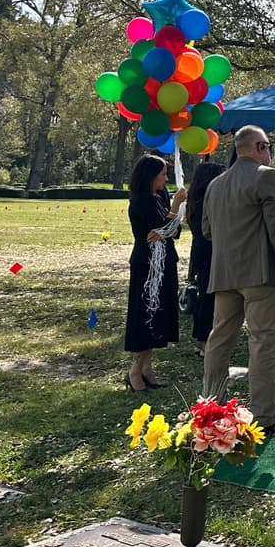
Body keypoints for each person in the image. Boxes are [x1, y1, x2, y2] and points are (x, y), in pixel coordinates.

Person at [201, 125, 275, 437]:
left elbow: (207, 231)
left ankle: (211, 406)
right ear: (259, 147)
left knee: (219, 339)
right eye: (268, 146)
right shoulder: (267, 176)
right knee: (262, 343)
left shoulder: (216, 184)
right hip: (260, 273)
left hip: (225, 273)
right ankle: (263, 415)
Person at [124, 154, 188, 391]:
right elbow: (163, 227)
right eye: (163, 174)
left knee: (159, 313)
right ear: (150, 176)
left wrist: (167, 224)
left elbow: (173, 230)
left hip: (165, 261)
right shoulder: (141, 201)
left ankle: (147, 368)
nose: (166, 179)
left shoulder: (159, 197)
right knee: (145, 313)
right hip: (147, 264)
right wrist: (174, 209)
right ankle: (134, 371)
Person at [186, 161, 226, 354]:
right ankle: (203, 339)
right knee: (209, 296)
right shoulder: (206, 202)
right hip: (209, 250)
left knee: (206, 294)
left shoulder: (195, 200)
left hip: (201, 250)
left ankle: (201, 339)